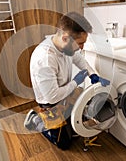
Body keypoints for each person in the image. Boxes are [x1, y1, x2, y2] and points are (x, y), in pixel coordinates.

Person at [24, 12, 110, 150]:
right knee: (64, 143)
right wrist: (76, 81)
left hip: (64, 92)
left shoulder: (66, 46)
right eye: (80, 43)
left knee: (80, 100)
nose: (82, 47)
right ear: (65, 38)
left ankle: (65, 117)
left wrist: (93, 75)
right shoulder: (45, 58)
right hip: (50, 103)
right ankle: (37, 120)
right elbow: (52, 97)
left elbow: (80, 60)